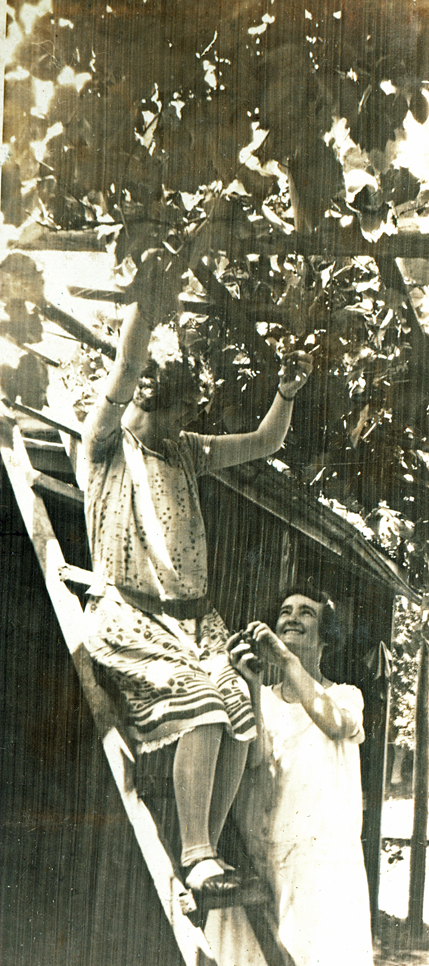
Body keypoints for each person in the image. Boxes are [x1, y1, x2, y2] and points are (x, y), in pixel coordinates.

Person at [81, 264, 312, 895]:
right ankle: (197, 850)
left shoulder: (187, 450)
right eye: (181, 408)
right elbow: (126, 371)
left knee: (240, 707)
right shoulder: (105, 445)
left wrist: (287, 392)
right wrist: (145, 308)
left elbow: (265, 441)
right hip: (132, 617)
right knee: (205, 707)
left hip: (196, 623)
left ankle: (202, 854)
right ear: (152, 402)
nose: (189, 420)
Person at [227, 587, 378, 966]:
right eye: (285, 611)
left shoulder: (346, 695)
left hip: (325, 859)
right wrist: (254, 685)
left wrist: (287, 660)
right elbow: (255, 759)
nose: (291, 617)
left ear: (325, 635)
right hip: (270, 852)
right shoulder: (268, 702)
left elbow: (332, 722)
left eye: (306, 613)